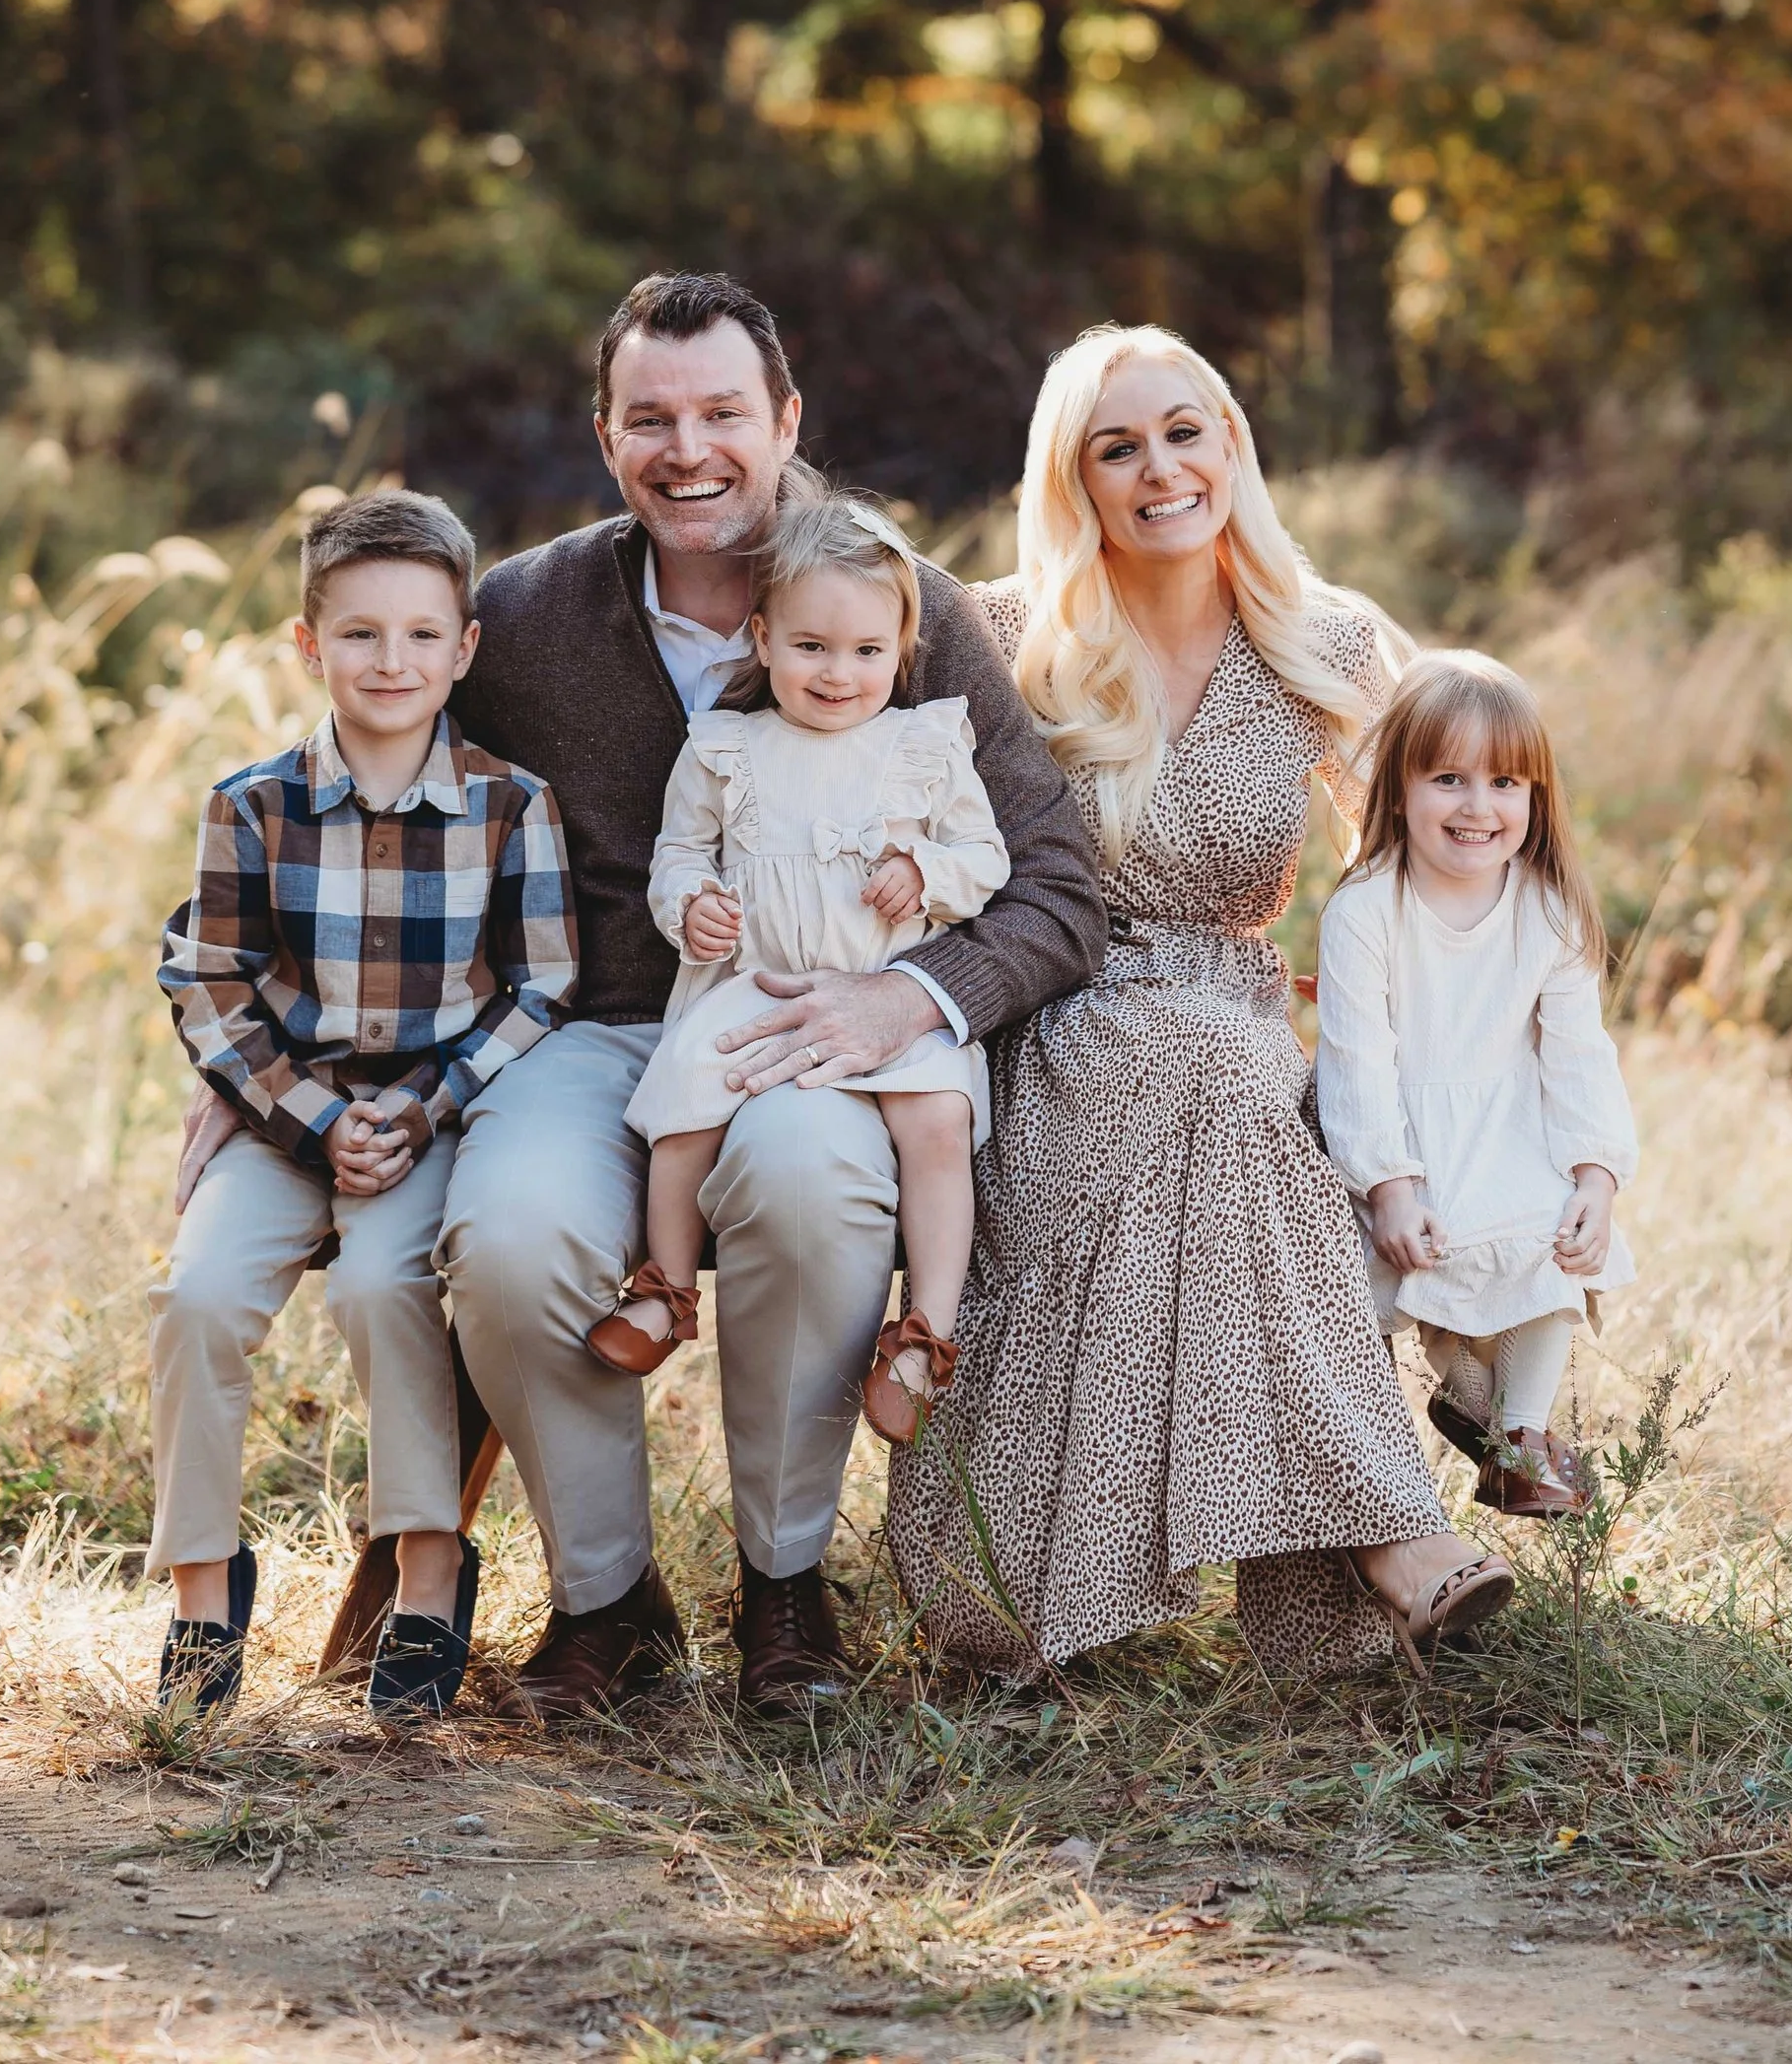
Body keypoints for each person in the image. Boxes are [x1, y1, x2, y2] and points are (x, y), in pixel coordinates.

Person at [439, 272, 1106, 1713]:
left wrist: (917, 994)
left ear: (786, 418)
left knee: (813, 1182)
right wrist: (259, 1072)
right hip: (595, 1032)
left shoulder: (900, 608)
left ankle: (786, 1591)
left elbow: (1056, 884)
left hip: (823, 1029)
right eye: (652, 419)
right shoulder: (526, 616)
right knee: (506, 1237)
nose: (691, 450)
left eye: (724, 413)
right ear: (607, 436)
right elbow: (373, 812)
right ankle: (608, 1607)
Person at [888, 324, 1513, 1680]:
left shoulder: (1328, 641)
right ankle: (1389, 1539)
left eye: (1185, 431)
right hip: (1048, 1025)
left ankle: (1343, 1552)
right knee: (1227, 1079)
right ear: (1078, 482)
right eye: (1118, 448)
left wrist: (1396, 1028)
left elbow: (1425, 873)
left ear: (1231, 442)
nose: (1159, 468)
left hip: (1237, 1009)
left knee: (1238, 1078)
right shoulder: (1002, 637)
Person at [150, 491, 570, 1720]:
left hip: (424, 1127)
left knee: (388, 1289)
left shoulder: (511, 805)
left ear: (465, 646)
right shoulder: (251, 804)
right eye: (361, 634)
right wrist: (312, 1118)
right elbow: (209, 980)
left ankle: (428, 1570)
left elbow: (543, 984)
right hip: (290, 1121)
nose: (393, 661)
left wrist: (424, 1107)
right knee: (196, 1293)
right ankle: (198, 1589)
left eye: (423, 634)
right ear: (306, 641)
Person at [586, 488, 1007, 1447]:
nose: (838, 671)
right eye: (811, 645)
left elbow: (986, 859)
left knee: (937, 1122)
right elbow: (678, 856)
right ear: (763, 636)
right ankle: (663, 1287)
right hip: (760, 983)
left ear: (899, 645)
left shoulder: (922, 745)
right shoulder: (728, 749)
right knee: (682, 1111)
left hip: (889, 990)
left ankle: (923, 1336)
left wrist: (925, 870)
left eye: (866, 650)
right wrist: (691, 907)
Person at [1314, 648, 1637, 1517]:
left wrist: (1596, 1176)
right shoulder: (1364, 912)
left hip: (1509, 1132)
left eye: (1505, 784)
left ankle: (1519, 1439)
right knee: (1430, 1283)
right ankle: (1472, 1401)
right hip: (1402, 1141)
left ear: (1536, 798)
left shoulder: (1548, 909)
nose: (1477, 807)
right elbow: (1357, 1061)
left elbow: (1579, 1054)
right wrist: (1389, 1184)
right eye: (1449, 778)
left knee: (1549, 1252)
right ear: (1400, 791)